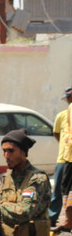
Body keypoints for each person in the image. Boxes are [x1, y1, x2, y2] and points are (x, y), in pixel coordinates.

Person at [51, 88, 71, 226]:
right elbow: (56, 133)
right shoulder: (62, 115)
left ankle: (69, 220)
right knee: (60, 188)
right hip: (64, 158)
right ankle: (52, 216)